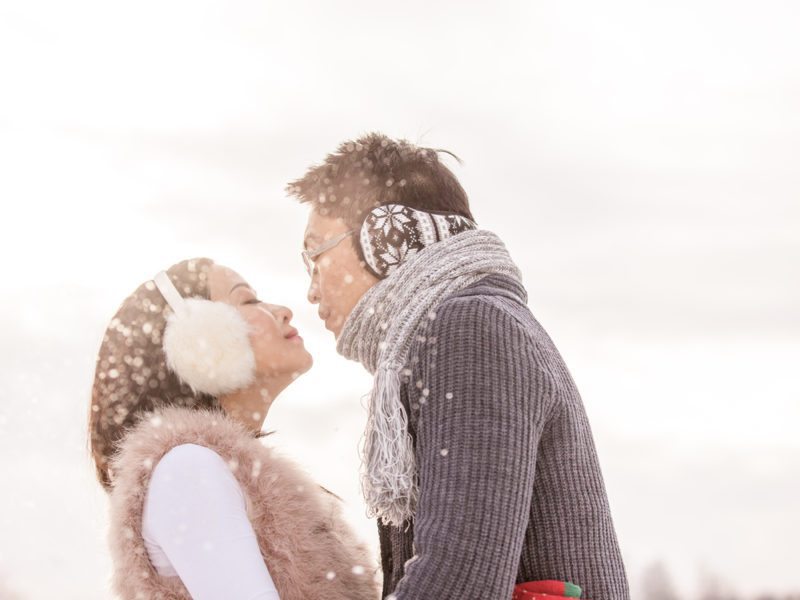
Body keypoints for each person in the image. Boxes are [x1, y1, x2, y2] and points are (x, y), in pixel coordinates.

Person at [287, 132, 631, 599]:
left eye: (315, 255)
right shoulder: (469, 326)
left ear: (385, 237)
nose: (311, 289)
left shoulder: (471, 326)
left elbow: (460, 574)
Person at [88, 258, 379, 600]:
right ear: (198, 341)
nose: (283, 311)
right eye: (248, 301)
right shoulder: (187, 470)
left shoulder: (213, 471)